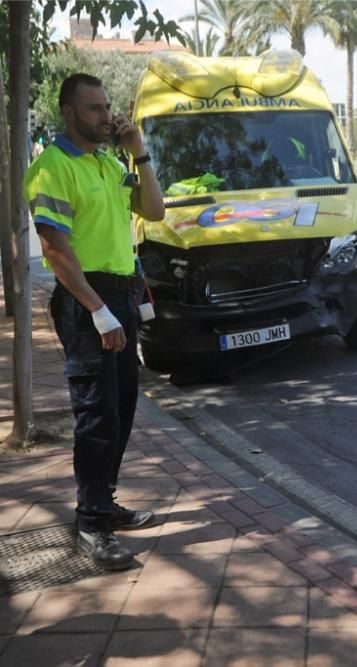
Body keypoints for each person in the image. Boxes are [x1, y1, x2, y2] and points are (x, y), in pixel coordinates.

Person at [24, 73, 166, 571]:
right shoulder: (53, 167)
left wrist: (139, 150)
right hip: (88, 304)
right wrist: (98, 310)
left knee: (122, 407)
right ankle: (91, 525)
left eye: (108, 108)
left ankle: (103, 501)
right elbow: (54, 248)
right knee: (96, 414)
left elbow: (155, 209)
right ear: (68, 113)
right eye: (94, 110)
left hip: (121, 295)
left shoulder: (108, 163)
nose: (106, 117)